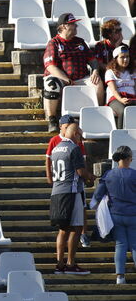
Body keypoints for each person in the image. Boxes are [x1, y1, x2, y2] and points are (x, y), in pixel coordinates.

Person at [43, 13, 102, 131]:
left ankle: (96, 116)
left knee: (98, 83)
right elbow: (50, 67)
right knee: (52, 84)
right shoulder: (54, 42)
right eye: (73, 24)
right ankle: (52, 119)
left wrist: (95, 71)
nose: (76, 26)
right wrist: (66, 79)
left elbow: (93, 60)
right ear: (64, 26)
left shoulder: (80, 42)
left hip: (81, 77)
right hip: (61, 78)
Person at [49, 117, 91, 274]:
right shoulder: (74, 149)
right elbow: (80, 172)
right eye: (80, 135)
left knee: (63, 229)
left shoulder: (56, 148)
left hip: (57, 192)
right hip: (71, 191)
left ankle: (59, 264)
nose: (81, 138)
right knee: (77, 227)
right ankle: (71, 264)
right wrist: (91, 177)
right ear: (74, 134)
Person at [91, 145, 136, 284]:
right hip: (133, 214)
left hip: (115, 213)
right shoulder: (134, 174)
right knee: (135, 244)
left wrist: (92, 206)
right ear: (129, 159)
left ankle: (120, 277)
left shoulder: (109, 175)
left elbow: (97, 195)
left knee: (120, 244)